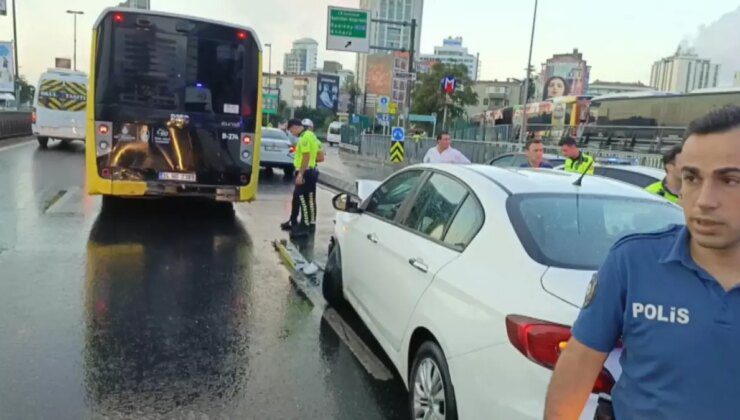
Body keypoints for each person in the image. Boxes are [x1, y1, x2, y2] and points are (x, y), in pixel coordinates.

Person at [544, 106, 740, 420]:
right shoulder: (633, 263)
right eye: (691, 177)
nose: (704, 200)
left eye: (729, 180)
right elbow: (578, 367)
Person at [280, 119, 321, 238]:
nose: (291, 133)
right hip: (311, 171)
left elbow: (306, 156)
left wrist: (300, 174)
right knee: (306, 200)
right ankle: (307, 225)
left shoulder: (304, 138)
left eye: (291, 130)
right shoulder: (311, 135)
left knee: (303, 200)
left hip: (306, 172)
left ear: (295, 127)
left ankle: (304, 228)